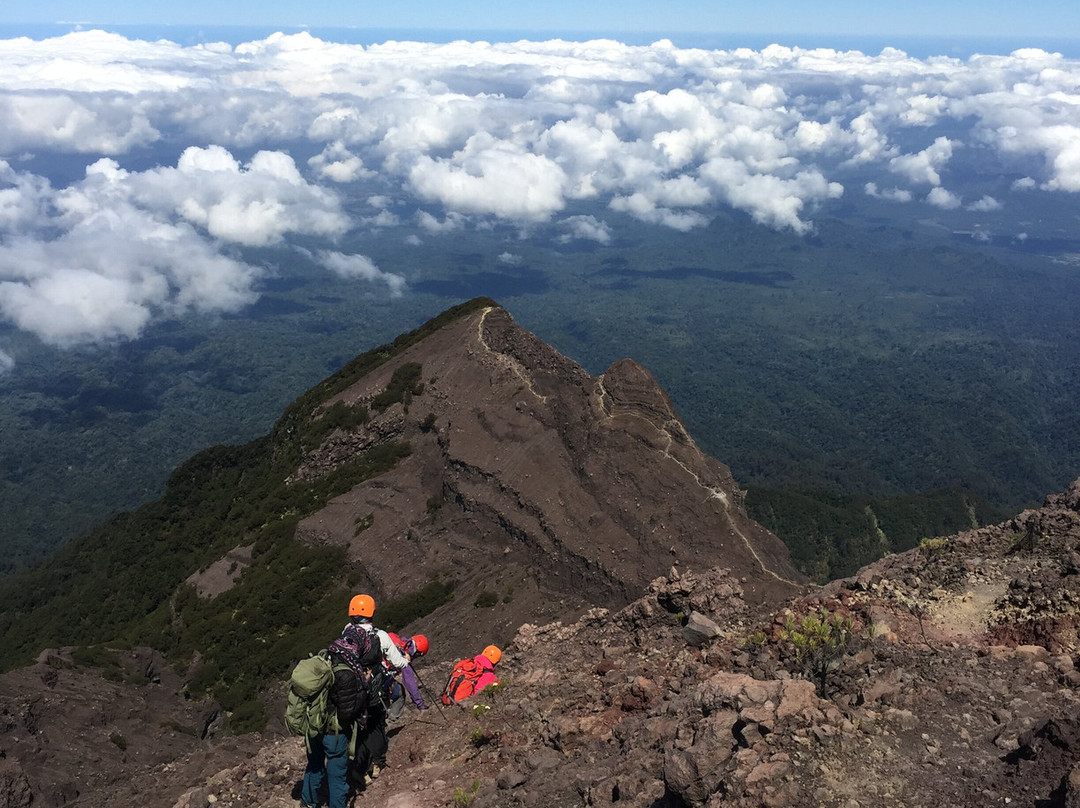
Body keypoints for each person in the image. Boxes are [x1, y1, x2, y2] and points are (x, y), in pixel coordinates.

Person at [343, 594, 410, 788]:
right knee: (376, 725)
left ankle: (357, 768)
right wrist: (406, 660)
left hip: (352, 689)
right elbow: (398, 663)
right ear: (371, 612)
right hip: (373, 690)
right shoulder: (380, 636)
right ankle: (376, 763)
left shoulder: (347, 631)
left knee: (358, 728)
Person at [299, 630, 368, 808]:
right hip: (333, 732)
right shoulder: (347, 673)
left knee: (314, 765)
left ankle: (308, 801)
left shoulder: (325, 656)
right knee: (337, 776)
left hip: (313, 725)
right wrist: (363, 690)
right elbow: (346, 712)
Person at [384, 633, 430, 723]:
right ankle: (389, 721)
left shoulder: (398, 640)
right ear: (418, 652)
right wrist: (420, 705)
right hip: (379, 674)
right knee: (399, 692)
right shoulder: (404, 658)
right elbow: (410, 684)